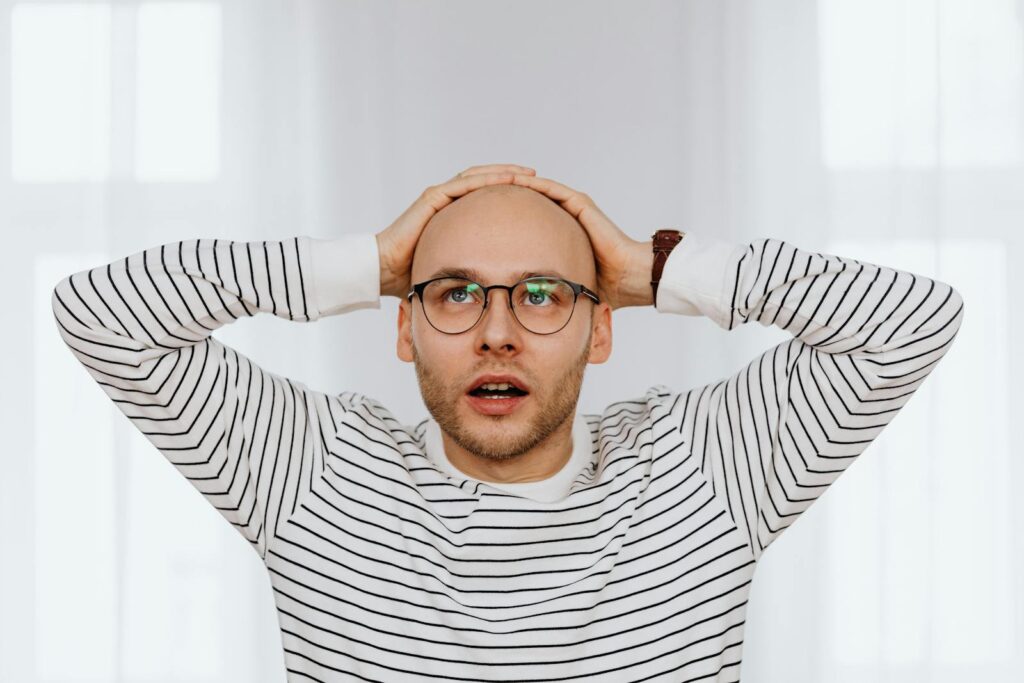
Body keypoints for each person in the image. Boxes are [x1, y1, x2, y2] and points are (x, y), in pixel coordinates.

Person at [51, 163, 964, 681]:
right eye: (453, 294)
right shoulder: (315, 470)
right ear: (403, 327)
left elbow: (914, 322)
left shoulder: (704, 466)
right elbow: (100, 314)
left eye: (541, 294)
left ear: (602, 327)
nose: (496, 332)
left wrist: (653, 268)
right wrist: (369, 260)